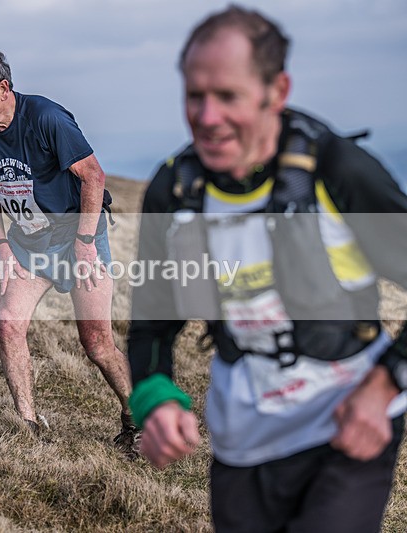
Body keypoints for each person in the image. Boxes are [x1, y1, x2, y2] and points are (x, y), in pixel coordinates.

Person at [127, 5, 407, 531]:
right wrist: (156, 400)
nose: (208, 117)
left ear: (276, 91)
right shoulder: (176, 191)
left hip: (346, 422)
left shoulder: (337, 170)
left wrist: (384, 386)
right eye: (194, 96)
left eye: (228, 96)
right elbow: (152, 326)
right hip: (243, 440)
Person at [0, 48, 139, 455]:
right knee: (8, 323)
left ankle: (136, 420)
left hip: (77, 236)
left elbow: (93, 176)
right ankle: (28, 425)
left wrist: (85, 244)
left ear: (3, 88)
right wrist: (2, 247)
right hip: (28, 242)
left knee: (97, 343)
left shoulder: (46, 117)